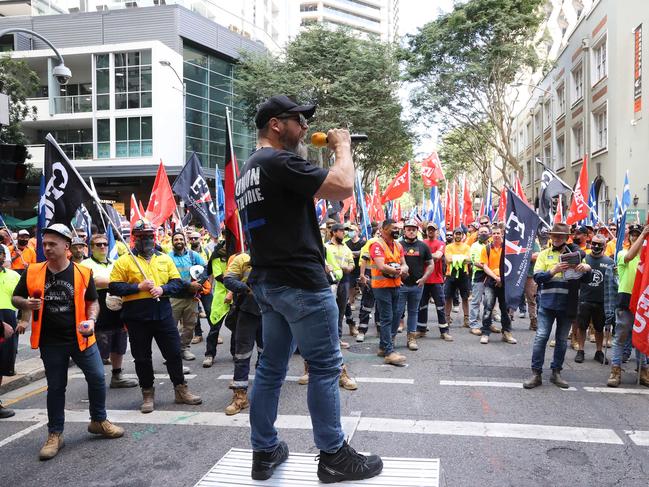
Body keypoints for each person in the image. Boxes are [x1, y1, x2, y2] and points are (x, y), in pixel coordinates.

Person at [236, 95, 383, 483]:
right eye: (298, 120)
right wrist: (343, 146)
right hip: (300, 284)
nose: (303, 127)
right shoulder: (277, 161)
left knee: (269, 369)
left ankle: (264, 450)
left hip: (269, 284)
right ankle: (334, 454)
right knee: (324, 368)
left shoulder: (249, 169)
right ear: (275, 125)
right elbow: (342, 185)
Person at [12, 224, 124, 460]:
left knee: (96, 378)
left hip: (82, 339)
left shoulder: (82, 273)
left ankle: (98, 420)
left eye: (53, 244)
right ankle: (55, 434)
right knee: (56, 387)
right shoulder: (32, 271)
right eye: (44, 244)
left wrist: (92, 320)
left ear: (66, 246)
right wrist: (26, 304)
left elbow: (93, 302)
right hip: (50, 342)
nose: (47, 248)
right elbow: (16, 297)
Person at [109, 219, 202, 413]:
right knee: (142, 358)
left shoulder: (164, 258)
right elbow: (114, 286)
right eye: (142, 237)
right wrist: (137, 287)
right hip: (136, 316)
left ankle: (181, 390)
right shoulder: (125, 260)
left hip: (163, 313)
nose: (147, 240)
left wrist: (163, 288)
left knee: (174, 353)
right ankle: (148, 394)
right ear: (135, 238)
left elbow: (177, 282)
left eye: (150, 236)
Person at [524, 223, 591, 389]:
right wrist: (553, 271)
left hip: (567, 304)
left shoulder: (576, 255)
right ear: (550, 237)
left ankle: (556, 372)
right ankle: (536, 373)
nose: (556, 238)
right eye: (554, 236)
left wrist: (587, 269)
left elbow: (586, 280)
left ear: (566, 238)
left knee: (561, 340)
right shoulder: (544, 254)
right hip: (547, 303)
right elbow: (538, 277)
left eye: (560, 236)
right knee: (541, 337)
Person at [80, 234, 138, 388]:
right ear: (91, 247)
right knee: (99, 345)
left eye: (105, 244)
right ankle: (95, 379)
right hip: (98, 308)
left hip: (117, 307)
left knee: (119, 342)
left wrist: (119, 284)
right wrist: (118, 283)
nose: (103, 247)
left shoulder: (115, 263)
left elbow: (125, 280)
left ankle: (117, 376)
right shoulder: (85, 264)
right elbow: (94, 281)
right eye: (98, 244)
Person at [607, 224, 649, 387]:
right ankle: (615, 370)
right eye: (632, 234)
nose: (634, 236)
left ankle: (643, 370)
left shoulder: (646, 257)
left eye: (637, 234)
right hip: (626, 299)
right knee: (621, 338)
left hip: (642, 300)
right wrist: (643, 234)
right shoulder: (622, 253)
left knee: (642, 337)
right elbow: (630, 256)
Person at [222, 252, 263, 415]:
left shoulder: (277, 256)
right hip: (247, 312)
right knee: (242, 355)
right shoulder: (242, 259)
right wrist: (246, 288)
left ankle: (264, 390)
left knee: (267, 354)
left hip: (271, 313)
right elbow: (228, 279)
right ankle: (240, 396)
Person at [370, 219, 409, 365]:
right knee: (387, 318)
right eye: (394, 228)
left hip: (395, 285)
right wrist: (398, 271)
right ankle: (388, 352)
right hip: (381, 286)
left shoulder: (398, 245)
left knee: (394, 317)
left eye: (398, 228)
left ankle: (383, 347)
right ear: (384, 229)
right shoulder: (377, 245)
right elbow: (381, 266)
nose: (397, 230)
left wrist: (403, 269)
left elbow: (404, 264)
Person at [574, 234, 614, 364]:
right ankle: (580, 350)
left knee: (599, 327)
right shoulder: (583, 258)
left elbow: (613, 282)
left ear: (604, 246)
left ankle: (599, 352)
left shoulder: (609, 262)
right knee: (582, 326)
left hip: (601, 300)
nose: (596, 246)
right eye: (594, 243)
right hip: (584, 298)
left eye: (599, 244)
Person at [168, 230, 206, 360]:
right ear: (172, 242)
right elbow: (168, 277)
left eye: (180, 239)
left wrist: (199, 283)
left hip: (191, 298)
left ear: (185, 241)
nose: (178, 241)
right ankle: (171, 352)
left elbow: (205, 269)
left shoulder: (193, 255)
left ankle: (184, 349)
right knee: (171, 327)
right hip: (174, 298)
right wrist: (188, 285)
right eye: (176, 240)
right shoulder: (168, 257)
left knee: (189, 326)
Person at [398, 220, 434, 350]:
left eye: (414, 229)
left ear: (417, 231)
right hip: (401, 286)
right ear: (404, 231)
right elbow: (391, 262)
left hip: (417, 286)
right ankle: (390, 339)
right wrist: (397, 279)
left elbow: (431, 264)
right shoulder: (398, 245)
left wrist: (424, 278)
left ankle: (411, 338)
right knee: (397, 312)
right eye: (409, 229)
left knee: (413, 312)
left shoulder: (423, 246)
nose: (411, 231)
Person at [477, 227, 517, 345]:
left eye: (498, 233)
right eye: (494, 233)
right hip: (491, 282)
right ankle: (485, 333)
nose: (496, 235)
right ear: (491, 235)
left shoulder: (508, 249)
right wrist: (496, 278)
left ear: (502, 234)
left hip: (505, 283)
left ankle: (507, 333)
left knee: (506, 309)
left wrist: (502, 279)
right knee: (488, 308)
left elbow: (512, 266)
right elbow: (484, 266)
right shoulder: (486, 249)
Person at [416, 222, 449, 340]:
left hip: (436, 280)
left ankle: (444, 331)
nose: (430, 231)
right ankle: (421, 330)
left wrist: (424, 256)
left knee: (440, 306)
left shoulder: (441, 243)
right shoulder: (421, 243)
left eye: (433, 230)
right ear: (426, 231)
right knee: (422, 306)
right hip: (423, 279)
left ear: (437, 232)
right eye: (429, 229)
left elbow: (438, 256)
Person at [0, 245, 22, 418]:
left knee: (2, 365)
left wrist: (23, 319)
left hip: (9, 323)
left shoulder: (14, 275)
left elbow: (24, 298)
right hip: (2, 325)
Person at [326, 223, 355, 348]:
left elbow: (352, 263)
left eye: (344, 231)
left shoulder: (346, 248)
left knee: (340, 311)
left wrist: (349, 268)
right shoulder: (325, 247)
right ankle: (328, 340)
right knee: (328, 311)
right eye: (341, 231)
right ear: (333, 232)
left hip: (344, 282)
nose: (344, 233)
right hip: (329, 282)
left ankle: (337, 339)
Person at [202, 241, 229, 368]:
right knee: (215, 327)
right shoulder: (216, 257)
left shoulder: (238, 257)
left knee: (238, 327)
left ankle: (236, 353)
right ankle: (209, 354)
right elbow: (219, 277)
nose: (226, 247)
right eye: (224, 245)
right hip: (221, 297)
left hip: (237, 295)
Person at [444, 228, 472, 328]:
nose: (458, 236)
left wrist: (455, 258)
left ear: (463, 235)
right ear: (454, 235)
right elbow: (448, 260)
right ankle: (447, 318)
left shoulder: (467, 247)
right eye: (456, 234)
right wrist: (461, 257)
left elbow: (469, 260)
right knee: (448, 297)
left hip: (463, 274)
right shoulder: (448, 247)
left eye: (460, 234)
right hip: (450, 274)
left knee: (465, 297)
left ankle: (466, 319)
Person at [468, 225, 490, 336]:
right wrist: (488, 267)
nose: (483, 234)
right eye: (481, 232)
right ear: (478, 234)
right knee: (476, 301)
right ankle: (473, 324)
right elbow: (475, 262)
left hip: (491, 276)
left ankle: (487, 324)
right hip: (479, 275)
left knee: (489, 302)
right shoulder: (474, 246)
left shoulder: (492, 245)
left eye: (486, 231)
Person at [344, 224, 365, 336]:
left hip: (361, 268)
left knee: (363, 288)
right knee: (350, 288)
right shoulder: (346, 243)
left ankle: (363, 306)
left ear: (358, 231)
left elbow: (362, 253)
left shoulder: (363, 242)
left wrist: (354, 254)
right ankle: (351, 302)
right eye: (350, 230)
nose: (351, 232)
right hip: (351, 269)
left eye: (353, 230)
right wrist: (354, 254)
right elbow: (347, 254)